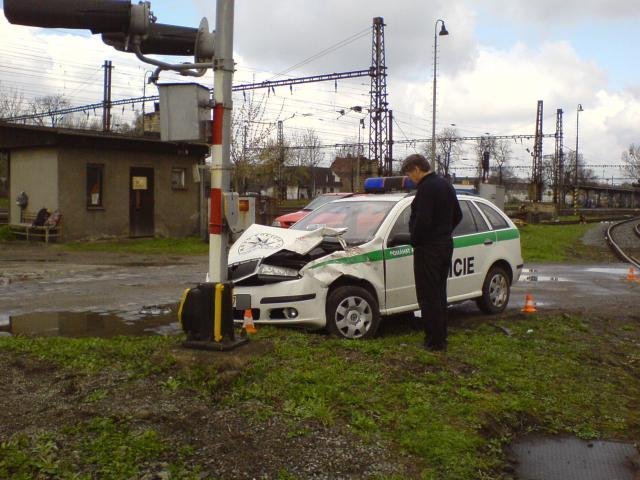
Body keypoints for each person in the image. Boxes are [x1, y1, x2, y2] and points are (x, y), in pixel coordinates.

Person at [401, 154, 462, 351]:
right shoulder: (446, 185)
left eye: (410, 174)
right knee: (439, 292)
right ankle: (440, 336)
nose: (410, 178)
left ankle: (433, 342)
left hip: (428, 249)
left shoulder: (426, 188)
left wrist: (415, 240)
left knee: (428, 295)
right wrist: (443, 232)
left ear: (417, 169)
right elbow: (458, 215)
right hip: (445, 245)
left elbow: (423, 220)